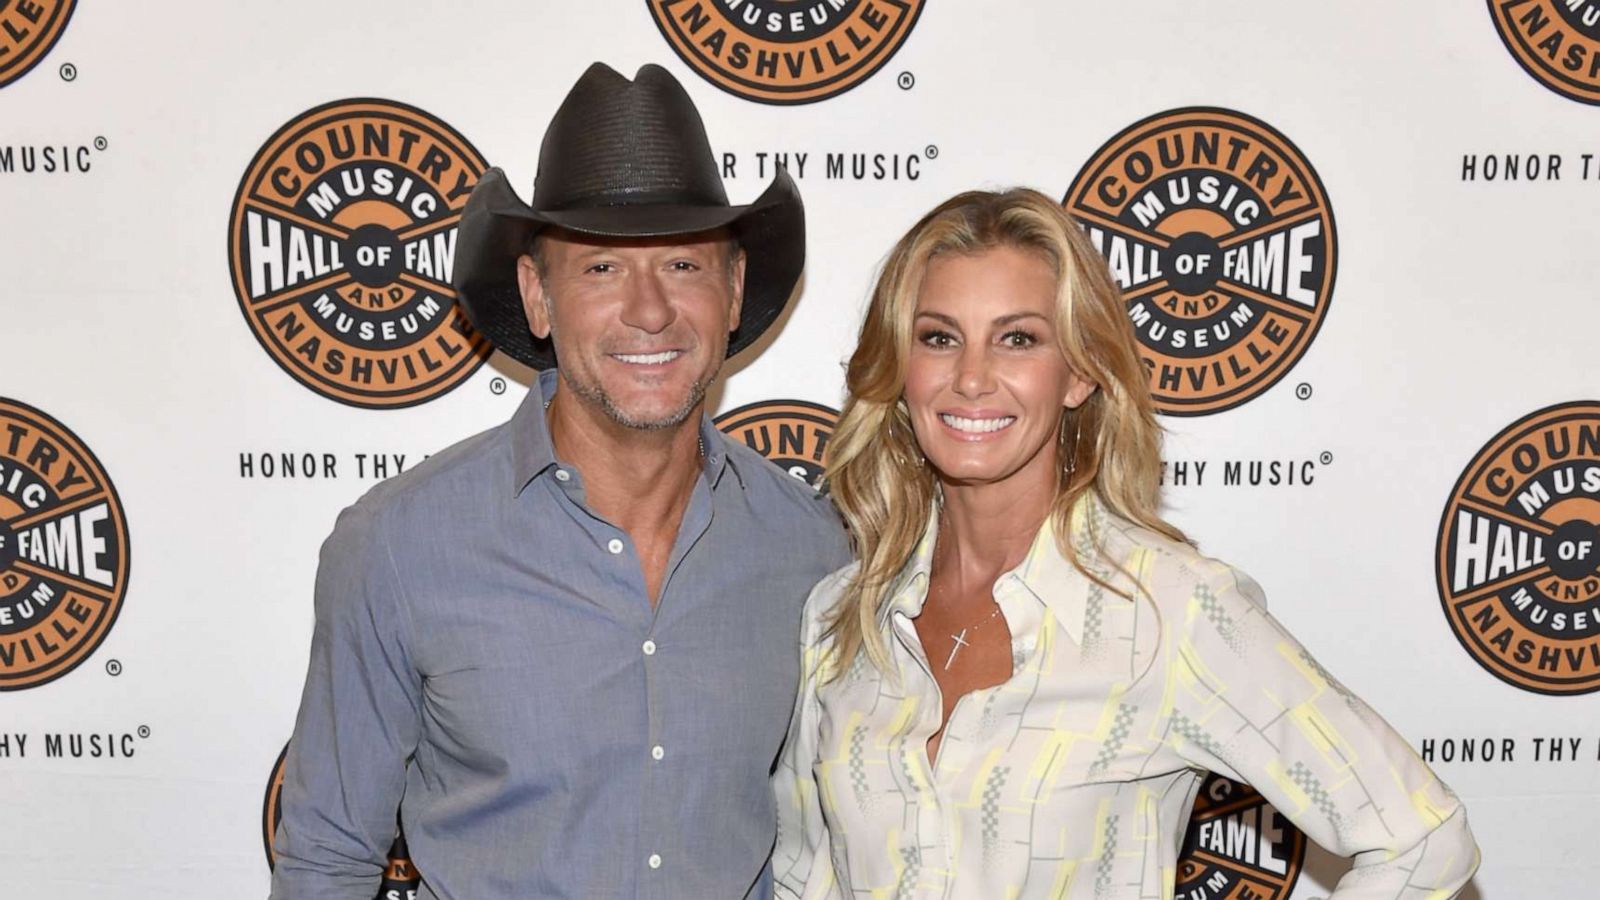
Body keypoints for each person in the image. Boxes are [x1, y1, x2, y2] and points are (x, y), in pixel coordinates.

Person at [771, 189, 1479, 898]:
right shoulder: (842, 618)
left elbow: (1421, 838)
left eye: (1018, 338)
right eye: (938, 337)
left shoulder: (1169, 611)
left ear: (1079, 372)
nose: (972, 378)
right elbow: (806, 878)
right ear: (899, 367)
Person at [270, 63, 849, 899]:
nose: (650, 312)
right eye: (602, 270)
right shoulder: (398, 547)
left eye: (684, 266)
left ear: (732, 292)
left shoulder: (810, 546)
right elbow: (326, 862)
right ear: (538, 298)